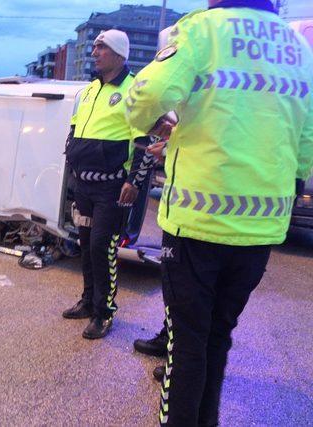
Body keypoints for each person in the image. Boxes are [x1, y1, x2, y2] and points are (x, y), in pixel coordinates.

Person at [125, 0, 313, 425]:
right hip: (260, 227)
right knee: (217, 338)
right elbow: (307, 140)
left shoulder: (202, 30)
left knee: (186, 345)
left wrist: (153, 124)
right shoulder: (299, 48)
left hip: (197, 222)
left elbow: (146, 97)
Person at [62, 29, 155, 339]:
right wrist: (71, 158)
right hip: (84, 186)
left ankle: (105, 313)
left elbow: (144, 143)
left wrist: (135, 182)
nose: (94, 52)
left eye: (101, 48)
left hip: (112, 188)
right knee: (85, 244)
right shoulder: (88, 90)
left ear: (118, 54)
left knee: (104, 246)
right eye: (95, 47)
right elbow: (74, 129)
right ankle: (88, 302)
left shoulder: (133, 91)